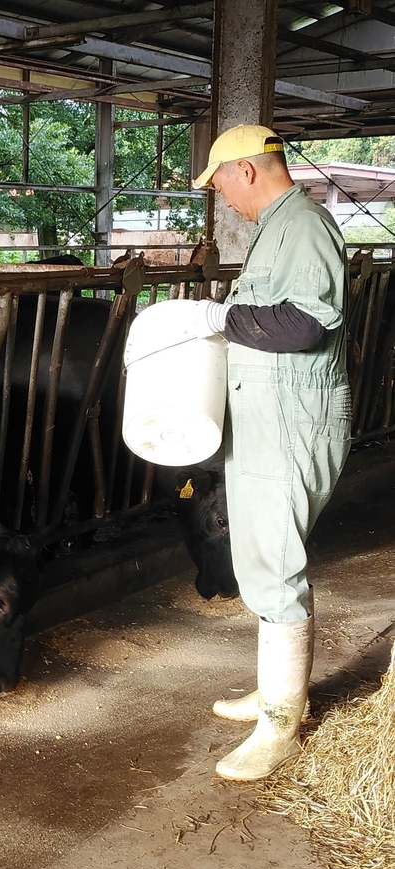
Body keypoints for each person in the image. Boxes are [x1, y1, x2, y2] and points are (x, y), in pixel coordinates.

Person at [175, 123, 351, 780]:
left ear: (246, 171)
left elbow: (305, 324)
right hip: (263, 425)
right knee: (256, 558)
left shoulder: (302, 225)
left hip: (291, 427)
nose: (223, 197)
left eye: (220, 184)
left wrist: (218, 318)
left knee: (275, 565)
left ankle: (282, 723)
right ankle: (272, 689)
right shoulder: (277, 226)